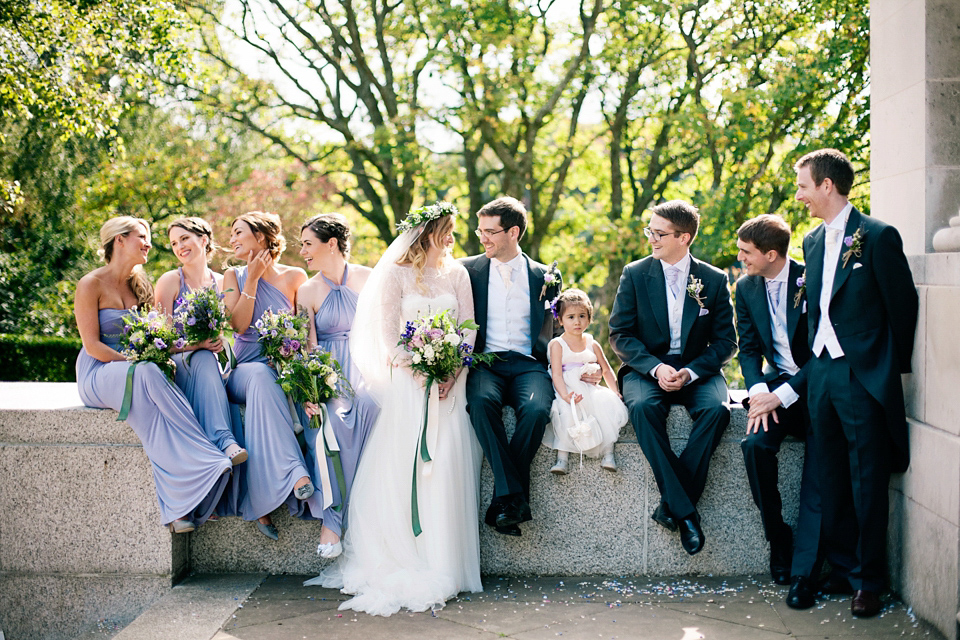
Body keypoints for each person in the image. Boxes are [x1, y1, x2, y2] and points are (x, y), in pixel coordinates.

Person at [305, 204, 483, 616]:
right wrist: (417, 368)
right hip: (409, 385)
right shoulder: (397, 274)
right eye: (448, 229)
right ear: (430, 232)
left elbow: (469, 328)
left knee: (444, 467)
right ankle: (406, 554)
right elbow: (387, 334)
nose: (453, 236)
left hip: (450, 386)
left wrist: (451, 371)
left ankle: (446, 562)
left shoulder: (458, 274)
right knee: (408, 470)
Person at [796, 149, 918, 618]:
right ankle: (844, 568)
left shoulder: (879, 236)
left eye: (804, 185)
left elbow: (902, 306)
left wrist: (887, 367)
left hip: (862, 373)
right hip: (822, 371)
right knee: (830, 476)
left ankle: (870, 580)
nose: (800, 195)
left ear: (827, 185)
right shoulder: (810, 240)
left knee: (867, 479)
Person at [74, 216, 232, 533]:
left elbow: (158, 340)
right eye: (142, 236)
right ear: (119, 240)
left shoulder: (141, 286)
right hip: (99, 371)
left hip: (138, 370)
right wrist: (138, 362)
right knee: (147, 371)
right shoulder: (90, 284)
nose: (149, 243)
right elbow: (92, 346)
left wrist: (192, 347)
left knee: (152, 424)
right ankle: (206, 453)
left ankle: (178, 509)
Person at [609, 200, 736, 556]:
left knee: (717, 410)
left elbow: (727, 341)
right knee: (643, 408)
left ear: (684, 237)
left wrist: (692, 370)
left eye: (659, 233)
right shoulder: (635, 273)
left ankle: (671, 507)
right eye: (650, 230)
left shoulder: (713, 279)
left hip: (698, 368)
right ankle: (686, 513)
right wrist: (656, 367)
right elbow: (620, 333)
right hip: (647, 368)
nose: (651, 238)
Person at [461, 196, 572, 537]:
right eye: (480, 231)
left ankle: (504, 500)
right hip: (485, 363)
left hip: (529, 365)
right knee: (479, 405)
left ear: (513, 232)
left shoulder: (546, 277)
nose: (484, 238)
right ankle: (514, 499)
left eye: (491, 232)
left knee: (538, 409)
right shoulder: (467, 270)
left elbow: (558, 330)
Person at [734, 214, 825, 608]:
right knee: (754, 446)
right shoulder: (746, 287)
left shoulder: (813, 278)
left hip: (818, 390)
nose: (740, 259)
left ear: (772, 254)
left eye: (746, 253)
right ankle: (777, 538)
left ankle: (811, 566)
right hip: (773, 387)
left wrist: (785, 394)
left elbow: (824, 352)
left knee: (819, 471)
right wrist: (758, 390)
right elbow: (749, 348)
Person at [223, 211, 315, 540]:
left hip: (283, 369)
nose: (232, 239)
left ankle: (261, 500)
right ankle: (295, 473)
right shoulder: (232, 277)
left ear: (260, 238)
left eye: (238, 232)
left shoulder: (295, 276)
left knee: (269, 384)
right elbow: (238, 326)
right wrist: (252, 279)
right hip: (242, 370)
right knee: (261, 376)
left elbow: (304, 333)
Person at [295, 213, 379, 559]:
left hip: (368, 364)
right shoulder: (307, 290)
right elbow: (305, 347)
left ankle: (368, 514)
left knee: (373, 405)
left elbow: (382, 332)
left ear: (332, 244)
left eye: (308, 244)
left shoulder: (370, 278)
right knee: (330, 421)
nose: (302, 252)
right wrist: (309, 393)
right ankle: (331, 521)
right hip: (328, 371)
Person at [154, 217, 248, 467]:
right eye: (174, 243)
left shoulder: (222, 282)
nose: (179, 247)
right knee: (205, 357)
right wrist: (198, 345)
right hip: (180, 362)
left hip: (217, 362)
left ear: (204, 240)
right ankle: (224, 441)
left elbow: (234, 329)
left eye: (184, 238)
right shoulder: (170, 281)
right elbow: (161, 341)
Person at [542, 288, 627, 474]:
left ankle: (608, 454)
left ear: (589, 318)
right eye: (571, 317)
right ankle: (562, 458)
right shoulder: (558, 344)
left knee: (605, 407)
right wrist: (565, 394)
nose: (577, 321)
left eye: (582, 316)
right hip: (567, 390)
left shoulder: (591, 343)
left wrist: (615, 391)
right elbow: (556, 373)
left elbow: (606, 369)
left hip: (589, 389)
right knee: (564, 412)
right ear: (560, 320)